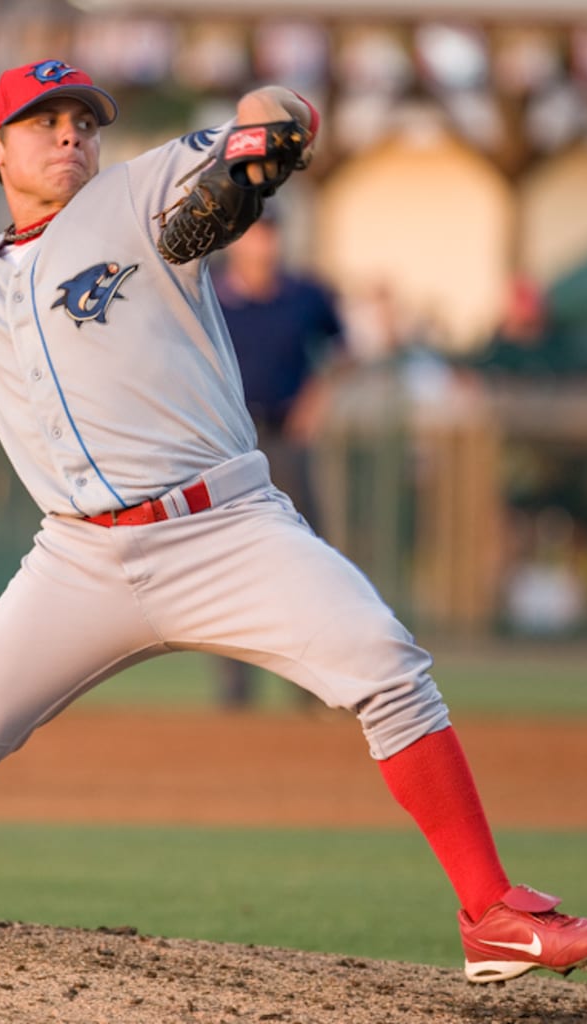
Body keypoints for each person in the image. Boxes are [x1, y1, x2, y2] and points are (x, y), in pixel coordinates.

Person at [0, 59, 587, 985]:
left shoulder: (136, 194)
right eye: (45, 121)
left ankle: (491, 915)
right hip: (79, 561)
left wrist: (267, 137)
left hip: (226, 529)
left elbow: (274, 107)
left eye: (85, 120)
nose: (71, 132)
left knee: (387, 666)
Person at [212, 206, 345, 709]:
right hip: (228, 446)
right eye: (253, 232)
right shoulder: (210, 295)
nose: (263, 243)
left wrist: (316, 401)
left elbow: (340, 352)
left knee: (303, 561)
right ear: (236, 240)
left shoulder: (305, 295)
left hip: (286, 438)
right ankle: (234, 690)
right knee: (229, 565)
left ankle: (307, 689)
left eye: (270, 232)